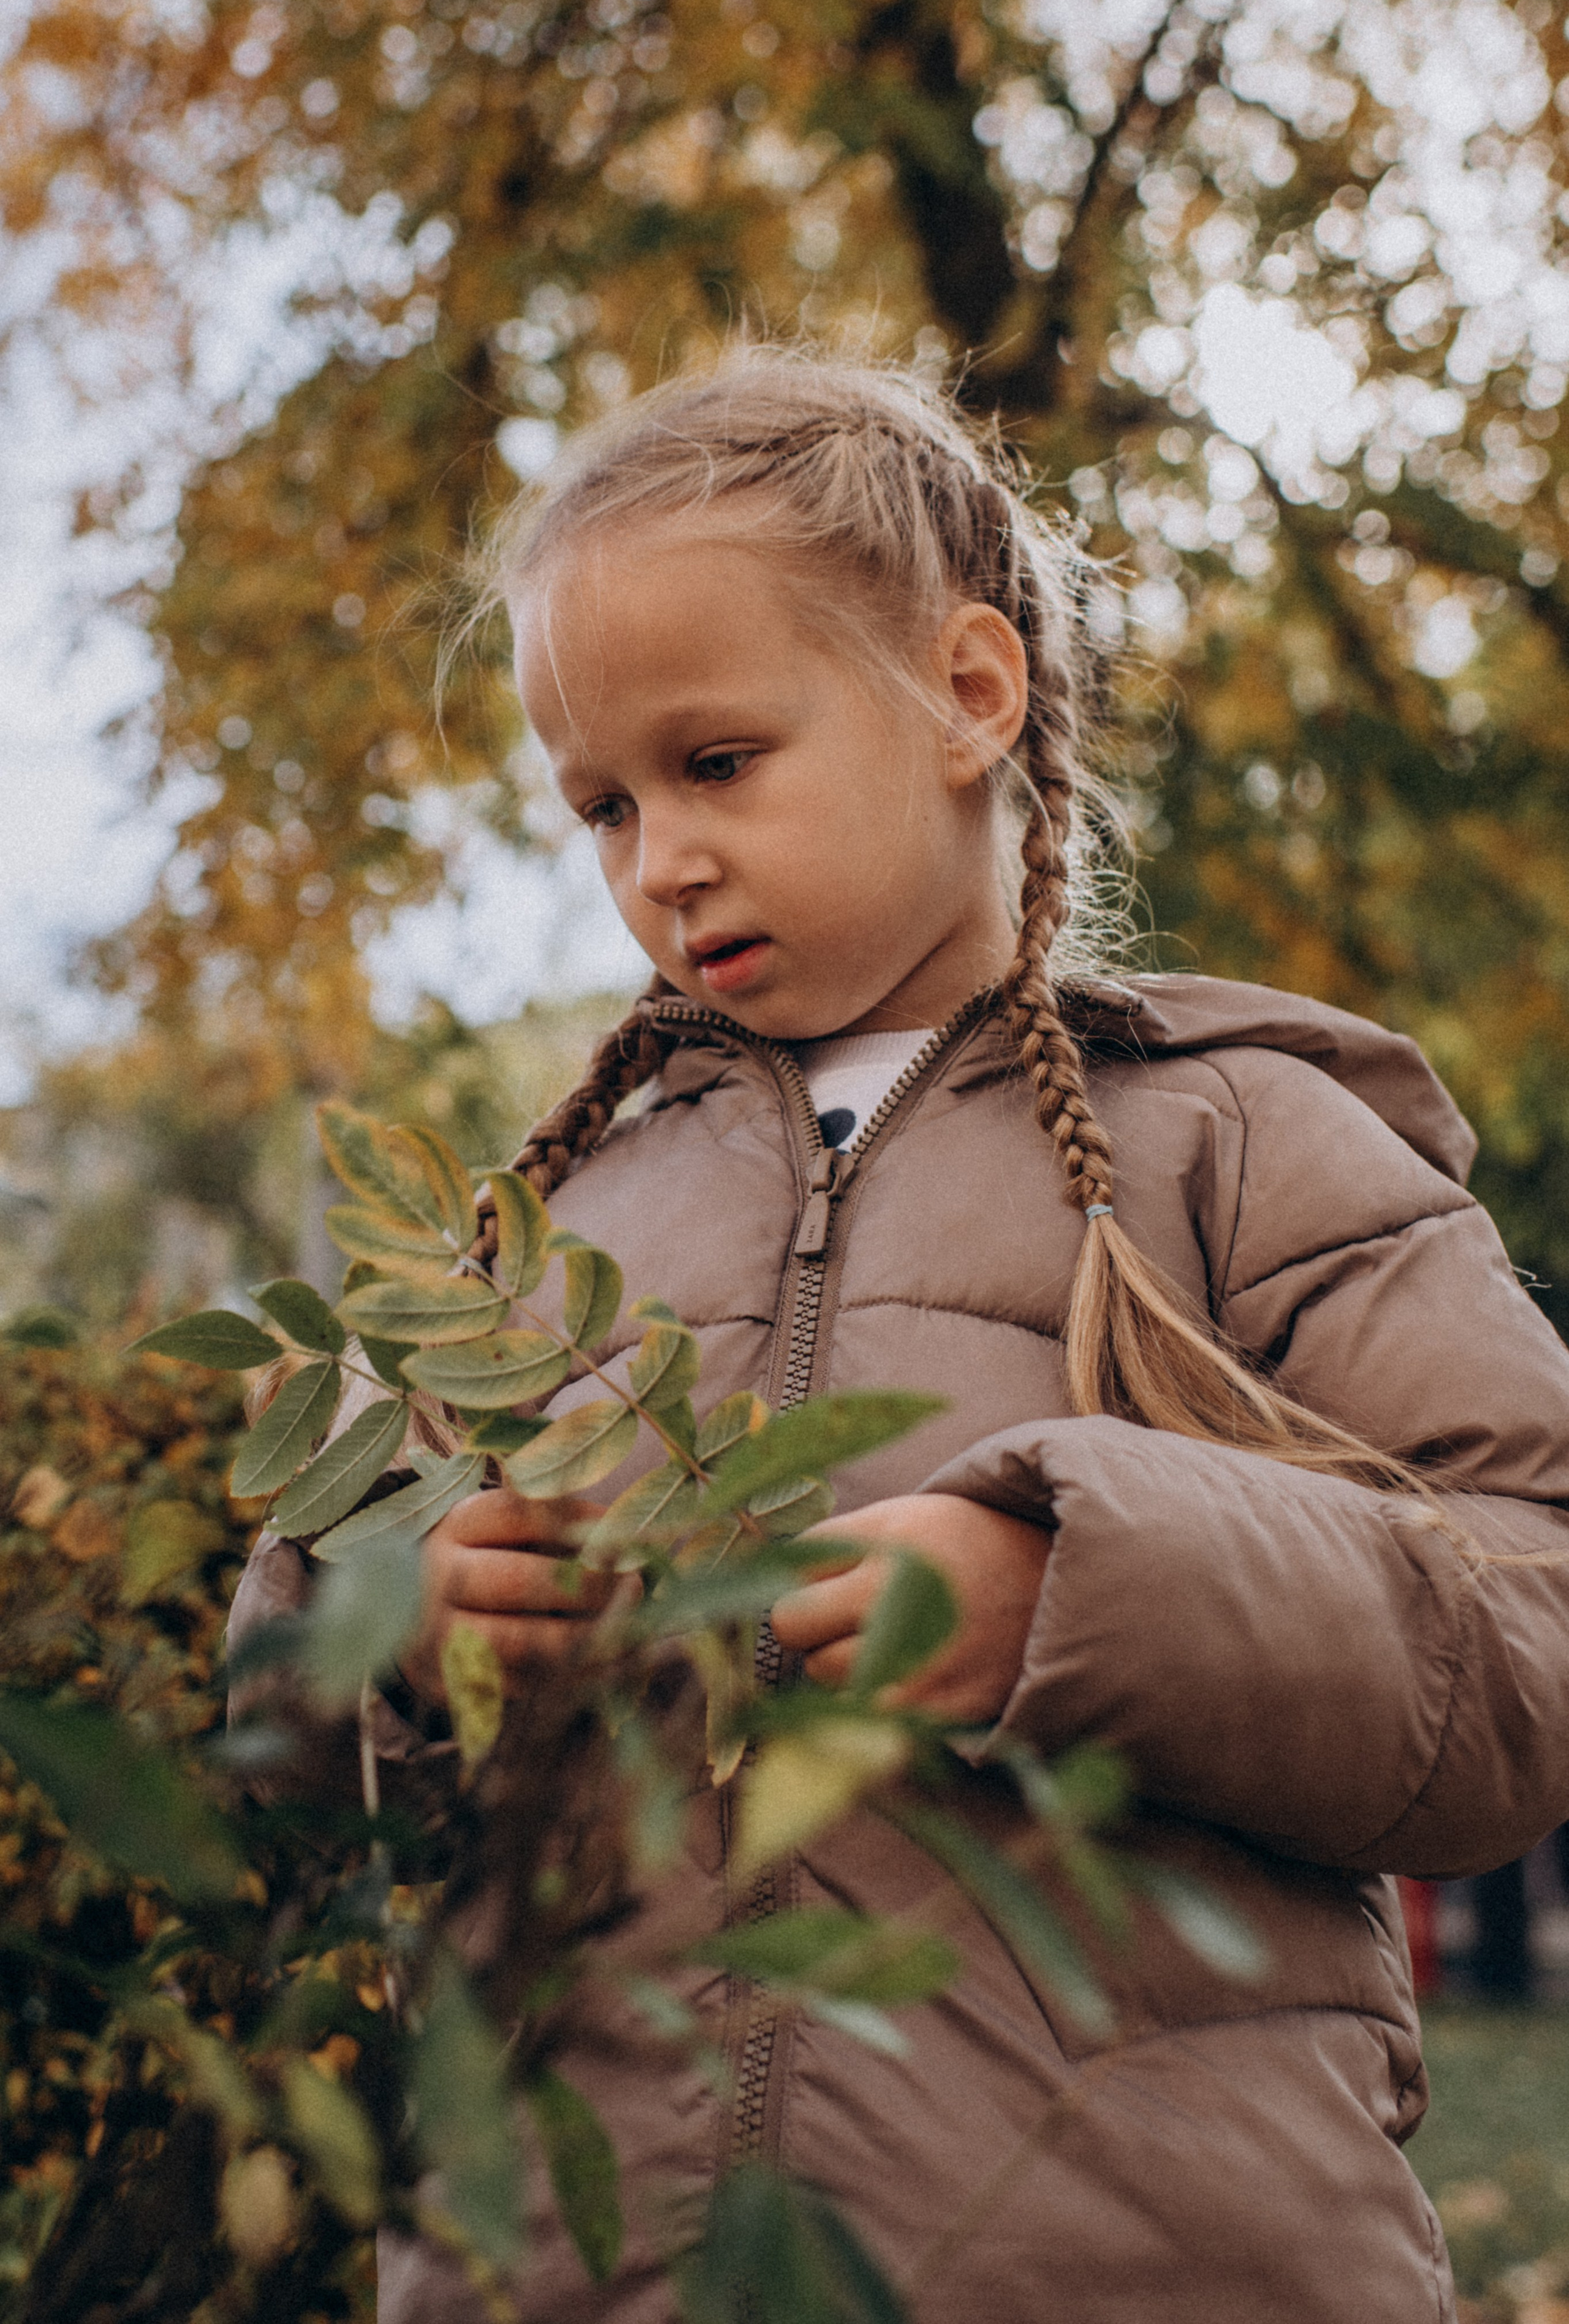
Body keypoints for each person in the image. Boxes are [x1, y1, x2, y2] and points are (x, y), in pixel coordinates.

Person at [230, 346, 1569, 2323]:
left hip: (1139, 2269)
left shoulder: (1247, 1138)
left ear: (967, 694)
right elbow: (269, 1737)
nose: (655, 863)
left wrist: (1093, 1588)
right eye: (599, 805)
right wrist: (401, 1625)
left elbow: (1533, 1637)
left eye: (712, 763)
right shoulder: (541, 1234)